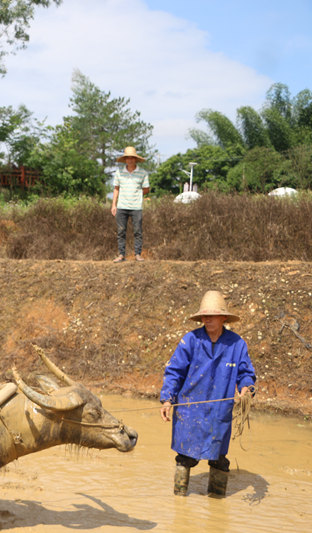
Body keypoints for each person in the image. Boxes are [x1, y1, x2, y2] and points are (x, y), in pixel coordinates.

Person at [159, 290, 256, 497]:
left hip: (219, 412)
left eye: (212, 315)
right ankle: (179, 502)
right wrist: (167, 399)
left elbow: (246, 373)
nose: (207, 319)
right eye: (204, 316)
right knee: (184, 458)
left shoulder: (236, 344)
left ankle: (217, 500)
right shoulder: (190, 340)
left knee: (219, 459)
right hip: (189, 410)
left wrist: (246, 389)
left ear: (223, 318)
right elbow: (174, 372)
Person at [110, 146, 150, 262]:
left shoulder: (143, 173)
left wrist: (136, 193)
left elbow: (146, 189)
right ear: (125, 159)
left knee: (138, 231)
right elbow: (116, 188)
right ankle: (121, 255)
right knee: (121, 231)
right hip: (122, 206)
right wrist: (114, 205)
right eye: (128, 158)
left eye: (132, 158)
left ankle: (137, 254)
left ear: (135, 159)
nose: (130, 160)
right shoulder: (119, 172)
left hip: (136, 207)